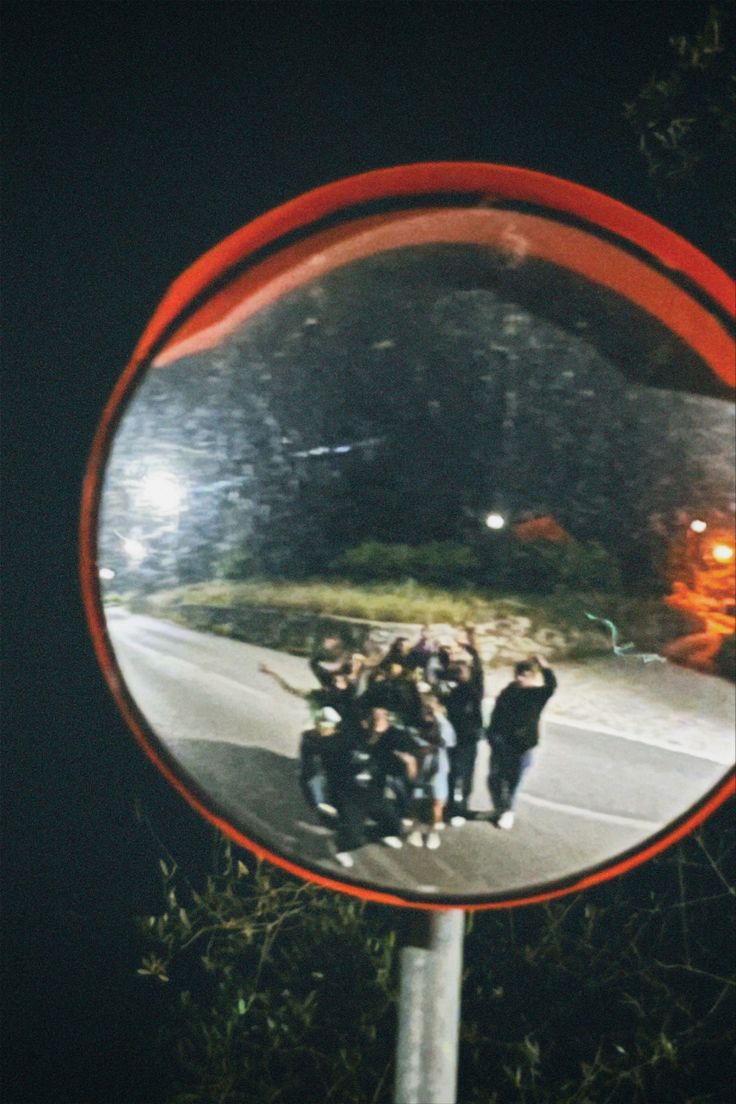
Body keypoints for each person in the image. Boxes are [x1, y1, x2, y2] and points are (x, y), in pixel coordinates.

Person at [331, 707, 415, 868]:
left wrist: (407, 764)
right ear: (366, 723)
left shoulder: (385, 748)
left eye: (383, 720)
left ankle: (382, 833)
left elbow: (398, 769)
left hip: (374, 795)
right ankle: (342, 848)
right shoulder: (352, 740)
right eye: (375, 720)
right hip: (352, 797)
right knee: (354, 835)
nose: (379, 724)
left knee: (395, 824)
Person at [486, 654, 557, 830]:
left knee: (513, 781)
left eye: (524, 675)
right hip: (501, 743)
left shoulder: (537, 694)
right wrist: (492, 735)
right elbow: (497, 715)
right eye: (518, 674)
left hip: (522, 746)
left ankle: (507, 811)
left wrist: (543, 665)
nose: (519, 678)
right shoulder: (509, 691)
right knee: (495, 779)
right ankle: (500, 808)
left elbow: (552, 685)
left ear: (532, 676)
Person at [298, 706, 346, 817]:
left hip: (328, 772)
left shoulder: (335, 737)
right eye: (327, 727)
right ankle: (320, 803)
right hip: (313, 773)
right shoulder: (309, 737)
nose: (330, 730)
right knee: (316, 777)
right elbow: (310, 760)